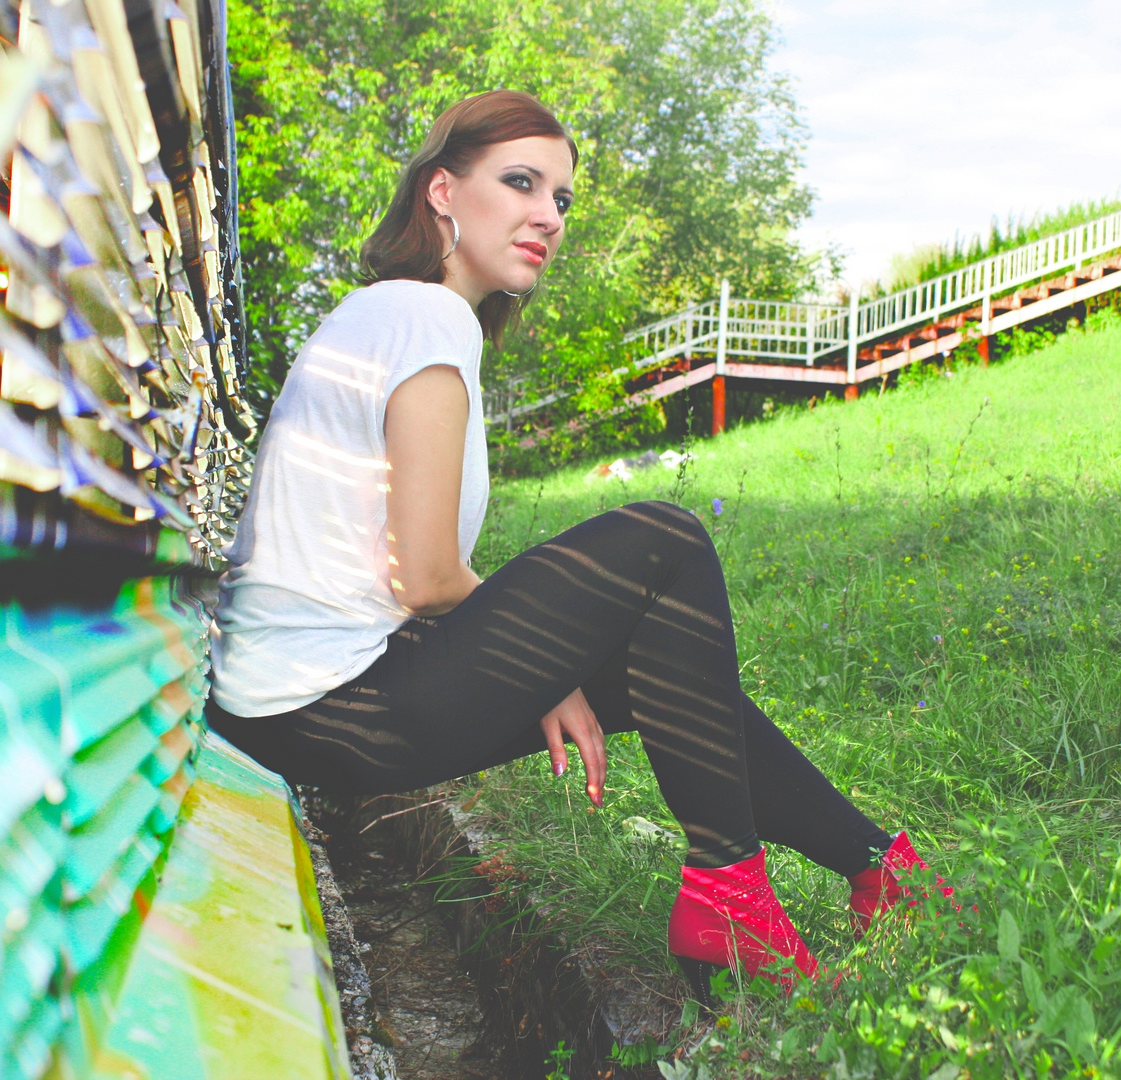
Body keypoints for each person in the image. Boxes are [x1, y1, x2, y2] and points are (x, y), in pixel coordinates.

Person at [207, 90, 950, 1000]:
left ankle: (879, 873)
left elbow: (393, 573)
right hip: (324, 709)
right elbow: (425, 576)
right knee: (665, 541)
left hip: (294, 708)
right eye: (520, 183)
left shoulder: (391, 315)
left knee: (653, 666)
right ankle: (735, 891)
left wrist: (559, 661)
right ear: (442, 191)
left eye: (560, 198)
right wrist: (551, 671)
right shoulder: (423, 319)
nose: (548, 216)